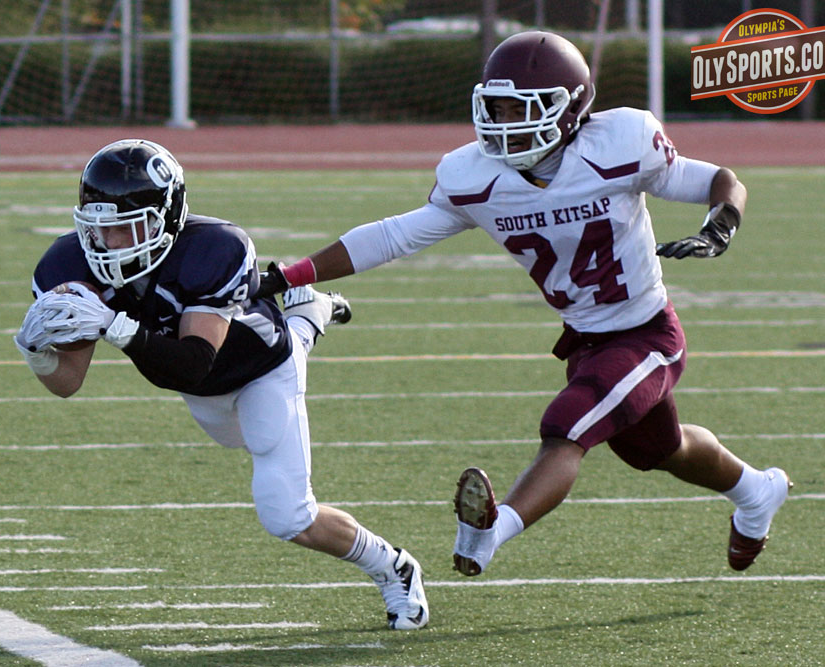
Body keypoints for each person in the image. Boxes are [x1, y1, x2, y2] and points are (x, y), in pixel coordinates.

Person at [254, 31, 790, 575]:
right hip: (586, 339)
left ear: (570, 108)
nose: (506, 123)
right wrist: (289, 275)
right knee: (661, 451)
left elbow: (721, 181)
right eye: (498, 109)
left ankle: (493, 531)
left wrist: (720, 225)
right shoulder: (475, 176)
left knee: (567, 427)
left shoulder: (619, 144)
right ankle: (755, 490)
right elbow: (391, 236)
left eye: (522, 109)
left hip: (647, 335)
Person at [13, 139, 428, 629]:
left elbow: (195, 362)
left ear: (166, 218)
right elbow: (67, 383)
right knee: (237, 437)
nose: (111, 242)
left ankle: (394, 567)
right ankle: (309, 310)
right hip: (198, 390)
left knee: (287, 514)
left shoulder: (212, 248)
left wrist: (114, 325)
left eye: (126, 227)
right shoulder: (69, 264)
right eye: (99, 228)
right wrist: (35, 351)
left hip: (259, 370)